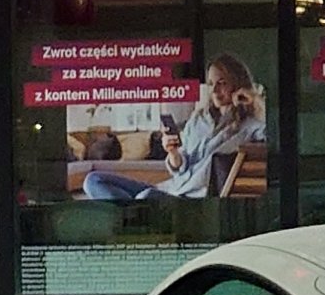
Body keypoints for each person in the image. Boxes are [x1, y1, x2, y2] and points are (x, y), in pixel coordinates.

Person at [83, 54, 266, 201]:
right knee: (93, 181)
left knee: (144, 197)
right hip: (171, 188)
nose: (215, 90)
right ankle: (135, 217)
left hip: (191, 198)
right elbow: (180, 165)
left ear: (237, 84)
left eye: (222, 83)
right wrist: (173, 153)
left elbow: (273, 134)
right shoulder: (198, 119)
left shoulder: (249, 126)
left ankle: (134, 216)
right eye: (211, 84)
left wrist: (255, 99)